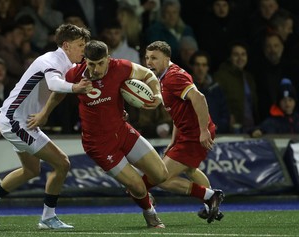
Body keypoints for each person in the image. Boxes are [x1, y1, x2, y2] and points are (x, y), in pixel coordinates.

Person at [29, 40, 224, 226]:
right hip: (99, 144)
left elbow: (147, 75)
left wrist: (155, 95)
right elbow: (57, 93)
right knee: (138, 187)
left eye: (100, 63)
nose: (95, 69)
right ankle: (151, 213)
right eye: (91, 64)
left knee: (161, 175)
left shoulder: (121, 67)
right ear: (84, 61)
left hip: (124, 132)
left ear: (108, 58)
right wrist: (44, 114)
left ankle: (209, 196)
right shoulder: (76, 75)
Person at [0, 24, 92, 229]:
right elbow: (54, 85)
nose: (83, 49)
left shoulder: (68, 65)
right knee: (62, 163)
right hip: (15, 121)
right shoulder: (50, 60)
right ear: (66, 45)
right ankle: (48, 217)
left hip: (22, 121)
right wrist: (75, 87)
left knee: (31, 170)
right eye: (80, 45)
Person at [145, 41, 224, 222]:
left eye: (154, 58)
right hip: (186, 134)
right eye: (147, 58)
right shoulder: (163, 77)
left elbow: (199, 97)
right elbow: (178, 114)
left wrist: (203, 131)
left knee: (160, 178)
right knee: (190, 169)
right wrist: (173, 141)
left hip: (195, 134)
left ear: (167, 59)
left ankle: (211, 196)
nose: (149, 62)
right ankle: (210, 204)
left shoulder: (173, 77)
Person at [190, 50, 230, 134]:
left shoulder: (216, 89)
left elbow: (225, 115)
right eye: (197, 65)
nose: (200, 68)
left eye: (204, 65)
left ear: (207, 68)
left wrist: (215, 127)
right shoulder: (184, 89)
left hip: (215, 137)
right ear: (192, 67)